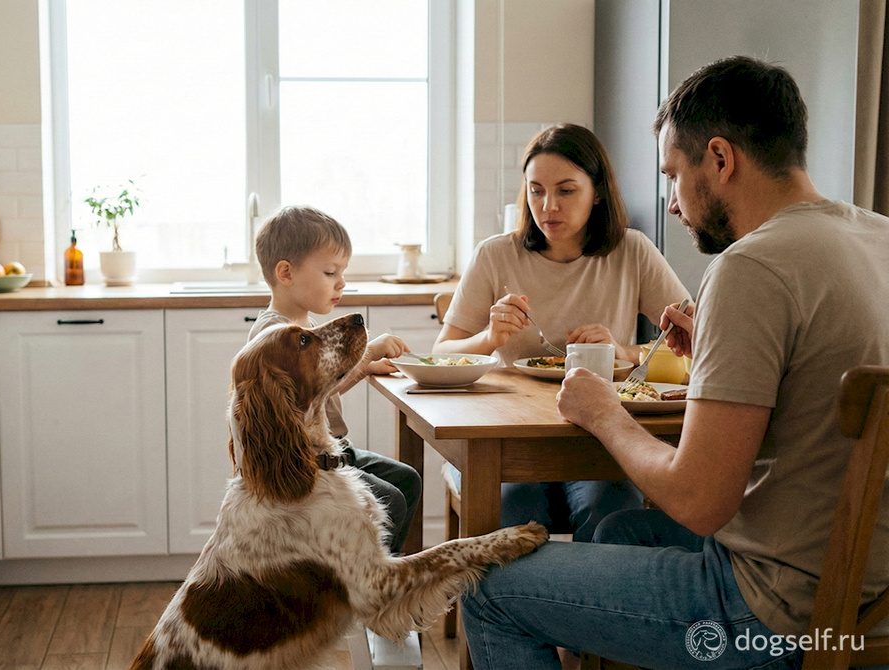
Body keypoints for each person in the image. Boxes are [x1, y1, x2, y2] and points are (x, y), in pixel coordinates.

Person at [460, 55, 889, 669]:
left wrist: (605, 411)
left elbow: (698, 500)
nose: (671, 203)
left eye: (672, 176)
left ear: (720, 159)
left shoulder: (751, 267)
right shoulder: (879, 237)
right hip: (873, 600)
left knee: (485, 585)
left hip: (772, 618)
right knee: (618, 531)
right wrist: (716, 339)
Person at [434, 123, 691, 542]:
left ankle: (590, 606)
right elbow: (442, 351)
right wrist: (488, 340)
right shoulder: (496, 254)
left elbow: (691, 344)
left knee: (607, 510)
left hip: (596, 439)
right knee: (513, 510)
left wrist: (622, 350)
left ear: (598, 191)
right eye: (536, 190)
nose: (548, 206)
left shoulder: (633, 251)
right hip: (504, 440)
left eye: (566, 190)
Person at [248, 204, 422, 555]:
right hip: (308, 461)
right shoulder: (276, 336)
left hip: (337, 448)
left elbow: (321, 387)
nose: (341, 282)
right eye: (330, 272)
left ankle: (374, 570)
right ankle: (365, 580)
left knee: (407, 479)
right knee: (390, 499)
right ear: (286, 273)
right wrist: (367, 351)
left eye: (341, 272)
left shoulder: (304, 325)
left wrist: (365, 366)